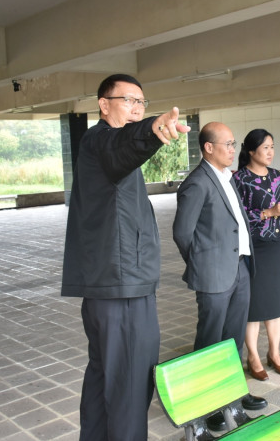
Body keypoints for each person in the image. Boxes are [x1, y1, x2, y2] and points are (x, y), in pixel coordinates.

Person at [61, 73, 189, 441]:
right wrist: (152, 129)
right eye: (128, 100)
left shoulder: (101, 146)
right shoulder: (102, 140)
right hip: (122, 288)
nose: (136, 108)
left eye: (141, 103)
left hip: (112, 286)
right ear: (104, 105)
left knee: (104, 378)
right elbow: (123, 145)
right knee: (130, 388)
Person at [173, 122, 268, 427]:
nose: (232, 149)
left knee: (233, 338)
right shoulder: (197, 183)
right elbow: (182, 233)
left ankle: (233, 396)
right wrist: (203, 264)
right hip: (214, 273)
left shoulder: (227, 177)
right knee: (210, 341)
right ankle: (209, 407)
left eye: (233, 143)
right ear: (208, 147)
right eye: (227, 144)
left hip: (239, 267)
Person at [233, 129, 280, 381]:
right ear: (251, 151)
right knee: (255, 305)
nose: (270, 152)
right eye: (265, 147)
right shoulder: (240, 179)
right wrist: (268, 212)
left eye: (272, 146)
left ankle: (275, 353)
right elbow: (237, 216)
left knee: (275, 302)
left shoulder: (277, 176)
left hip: (277, 244)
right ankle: (253, 356)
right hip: (254, 247)